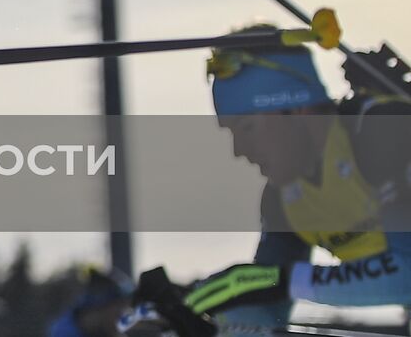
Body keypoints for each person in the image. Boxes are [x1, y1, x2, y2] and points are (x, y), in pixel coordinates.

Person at [153, 24, 411, 333]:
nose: (239, 151)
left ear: (296, 108)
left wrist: (284, 280)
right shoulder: (281, 201)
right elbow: (264, 309)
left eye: (246, 128)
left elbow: (407, 278)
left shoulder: (377, 133)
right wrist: (195, 316)